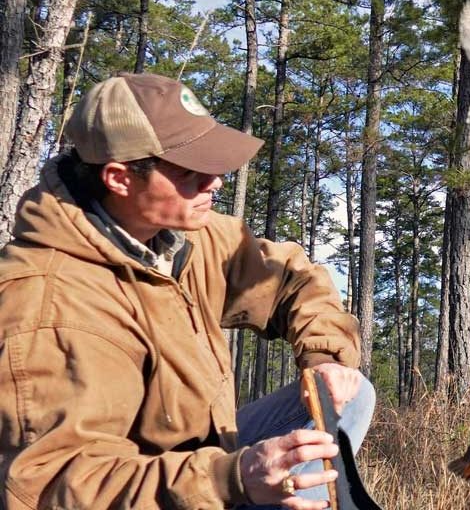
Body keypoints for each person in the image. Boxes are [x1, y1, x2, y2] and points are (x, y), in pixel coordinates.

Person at [0, 72, 375, 509]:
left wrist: (323, 358)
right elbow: (55, 487)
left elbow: (292, 278)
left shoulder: (180, 236)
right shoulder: (48, 304)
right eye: (189, 172)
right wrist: (231, 478)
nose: (214, 182)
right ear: (119, 178)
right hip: (143, 490)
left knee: (347, 393)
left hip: (199, 464)